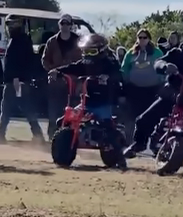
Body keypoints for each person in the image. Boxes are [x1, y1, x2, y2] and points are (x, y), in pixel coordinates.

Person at [125, 23, 183, 172]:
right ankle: (139, 143)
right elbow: (159, 62)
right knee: (144, 119)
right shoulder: (177, 53)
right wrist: (164, 67)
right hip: (173, 94)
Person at [47, 34, 126, 167]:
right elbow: (73, 67)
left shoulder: (110, 62)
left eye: (92, 51)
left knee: (108, 129)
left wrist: (107, 77)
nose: (88, 55)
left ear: (101, 51)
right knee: (63, 121)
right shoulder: (86, 62)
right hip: (88, 100)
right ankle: (63, 152)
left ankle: (119, 158)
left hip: (105, 101)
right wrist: (57, 71)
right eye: (86, 51)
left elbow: (117, 75)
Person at [0, 15, 41, 143]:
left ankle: (1, 134)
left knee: (13, 107)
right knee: (17, 108)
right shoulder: (18, 40)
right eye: (8, 24)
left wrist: (17, 79)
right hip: (15, 80)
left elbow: (20, 62)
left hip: (17, 81)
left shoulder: (21, 41)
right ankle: (37, 135)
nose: (9, 27)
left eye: (12, 24)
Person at [41, 14, 82, 140]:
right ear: (59, 25)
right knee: (54, 110)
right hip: (56, 82)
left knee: (73, 111)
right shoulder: (52, 41)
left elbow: (84, 60)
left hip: (74, 83)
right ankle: (52, 136)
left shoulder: (79, 42)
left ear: (71, 25)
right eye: (62, 23)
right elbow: (44, 59)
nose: (64, 26)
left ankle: (71, 138)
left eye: (67, 23)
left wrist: (80, 76)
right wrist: (52, 70)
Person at [119, 28, 164, 142]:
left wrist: (162, 80)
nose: (142, 40)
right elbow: (124, 68)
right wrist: (125, 81)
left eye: (145, 37)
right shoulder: (131, 53)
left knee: (150, 116)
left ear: (149, 39)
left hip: (152, 90)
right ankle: (130, 141)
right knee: (132, 116)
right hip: (134, 90)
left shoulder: (157, 52)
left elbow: (163, 66)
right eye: (140, 37)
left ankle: (150, 142)